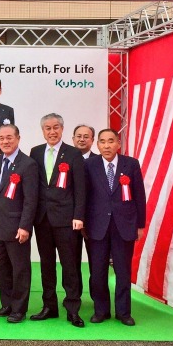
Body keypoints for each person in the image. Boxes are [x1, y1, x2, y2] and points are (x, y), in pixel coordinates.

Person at [29, 113, 86, 328]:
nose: (52, 132)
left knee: (69, 265)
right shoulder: (35, 152)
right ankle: (49, 306)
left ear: (62, 129)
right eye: (48, 128)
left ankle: (73, 309)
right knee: (46, 265)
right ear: (43, 131)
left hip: (66, 220)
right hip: (42, 219)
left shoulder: (73, 154)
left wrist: (78, 216)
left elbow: (80, 189)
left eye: (55, 128)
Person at [85, 129, 146, 326]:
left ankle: (123, 312)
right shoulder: (89, 165)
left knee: (123, 271)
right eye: (102, 142)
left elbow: (139, 195)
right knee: (98, 272)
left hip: (124, 226)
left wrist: (140, 224)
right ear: (97, 145)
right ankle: (101, 311)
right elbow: (84, 196)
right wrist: (83, 222)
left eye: (111, 141)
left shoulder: (131, 164)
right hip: (97, 226)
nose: (107, 145)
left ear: (118, 143)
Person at [0, 124, 38, 323]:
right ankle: (7, 304)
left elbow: (30, 200)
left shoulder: (28, 164)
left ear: (18, 138)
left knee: (20, 270)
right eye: (1, 138)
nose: (5, 141)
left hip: (17, 227)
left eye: (9, 137)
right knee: (2, 269)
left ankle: (19, 309)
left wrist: (25, 226)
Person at [72, 123, 97, 297]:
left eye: (86, 137)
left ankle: (98, 298)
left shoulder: (99, 161)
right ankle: (75, 297)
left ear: (92, 140)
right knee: (72, 262)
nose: (82, 139)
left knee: (96, 262)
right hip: (71, 220)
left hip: (94, 222)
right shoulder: (65, 159)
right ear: (73, 139)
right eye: (79, 136)